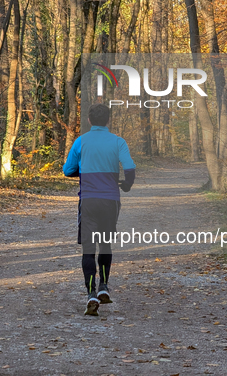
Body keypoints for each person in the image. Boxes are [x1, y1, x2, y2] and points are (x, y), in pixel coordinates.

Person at [63, 104, 136, 316]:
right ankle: (104, 285)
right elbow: (129, 167)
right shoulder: (118, 141)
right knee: (105, 243)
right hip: (110, 201)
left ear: (89, 120)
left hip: (88, 200)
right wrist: (127, 184)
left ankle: (91, 293)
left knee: (88, 247)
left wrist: (85, 172)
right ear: (108, 120)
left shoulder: (81, 141)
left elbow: (68, 170)